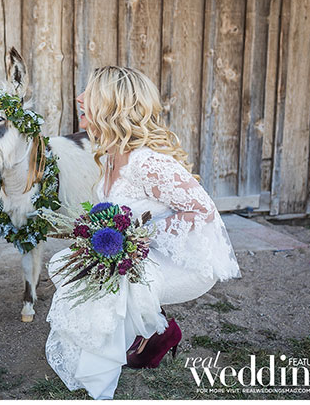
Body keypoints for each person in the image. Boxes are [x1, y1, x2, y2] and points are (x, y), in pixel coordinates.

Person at [45, 66, 241, 399]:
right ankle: (153, 331)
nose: (79, 97)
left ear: (112, 104)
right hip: (145, 254)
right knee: (67, 265)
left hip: (184, 265)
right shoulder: (110, 154)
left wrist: (136, 236)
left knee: (105, 287)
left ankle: (102, 374)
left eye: (90, 92)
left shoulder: (146, 162)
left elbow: (203, 211)